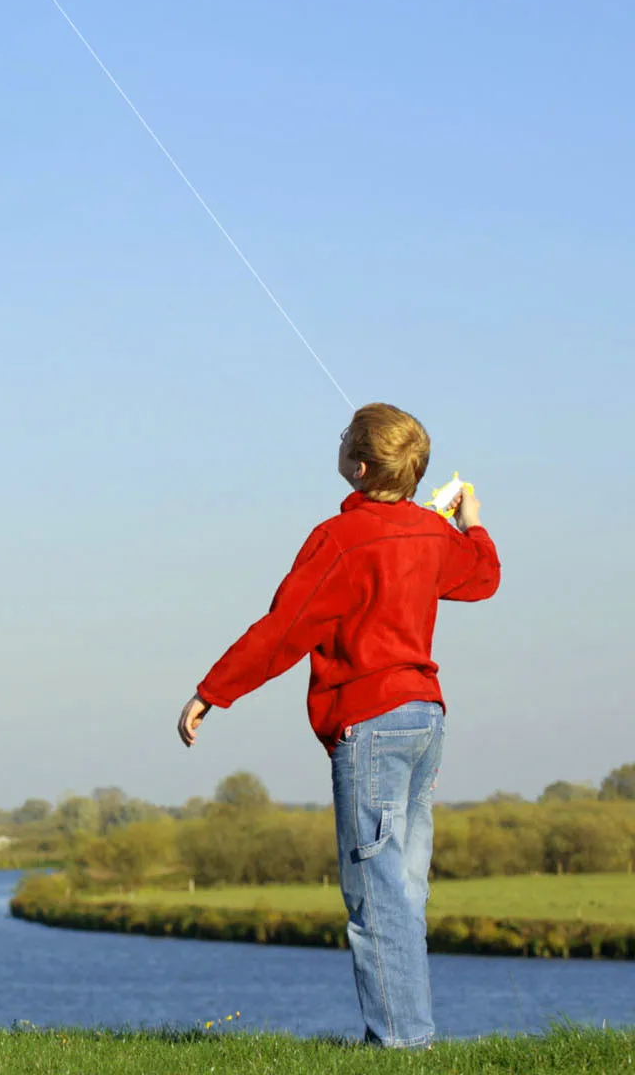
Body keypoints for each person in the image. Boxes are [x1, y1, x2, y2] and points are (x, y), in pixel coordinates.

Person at [177, 403, 500, 1048]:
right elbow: (482, 577)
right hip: (426, 720)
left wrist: (213, 691)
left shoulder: (338, 539)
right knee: (403, 889)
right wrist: (471, 524)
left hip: (372, 723)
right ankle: (412, 1037)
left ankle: (403, 1044)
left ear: (356, 467)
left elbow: (284, 631)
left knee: (376, 898)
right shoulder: (433, 534)